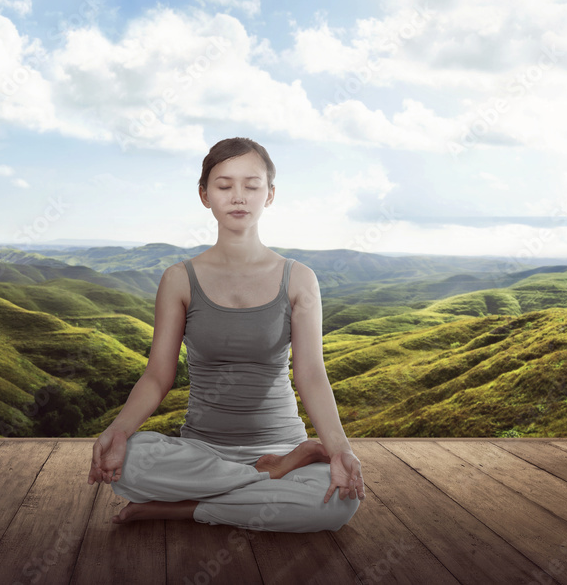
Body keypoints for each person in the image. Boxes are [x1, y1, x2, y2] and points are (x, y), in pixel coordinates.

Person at [86, 137, 364, 533]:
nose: (239, 197)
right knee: (127, 462)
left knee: (338, 504)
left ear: (269, 195)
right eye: (223, 185)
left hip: (281, 444)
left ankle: (184, 508)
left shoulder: (299, 279)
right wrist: (118, 430)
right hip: (202, 451)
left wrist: (340, 450)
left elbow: (311, 374)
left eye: (252, 185)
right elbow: (157, 375)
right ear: (204, 195)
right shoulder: (179, 279)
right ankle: (269, 480)